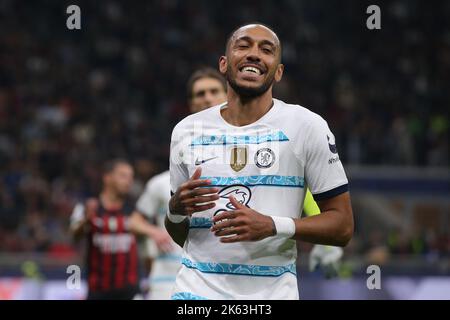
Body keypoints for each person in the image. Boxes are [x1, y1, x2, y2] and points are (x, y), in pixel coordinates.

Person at [165, 24, 354, 300]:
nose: (254, 54)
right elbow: (182, 234)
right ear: (224, 63)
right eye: (243, 46)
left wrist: (273, 225)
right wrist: (175, 209)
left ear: (278, 72)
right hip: (194, 297)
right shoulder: (186, 131)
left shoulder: (306, 126)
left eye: (266, 50)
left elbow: (343, 227)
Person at [134, 67, 227, 300]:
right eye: (200, 93)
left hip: (228, 279)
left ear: (228, 95)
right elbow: (134, 221)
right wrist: (155, 231)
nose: (207, 97)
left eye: (214, 91)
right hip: (171, 281)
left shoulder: (247, 158)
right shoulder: (160, 183)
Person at [70, 159, 168, 299]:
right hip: (98, 291)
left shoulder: (136, 210)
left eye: (130, 177)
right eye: (123, 176)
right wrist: (86, 220)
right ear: (107, 177)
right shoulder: (88, 206)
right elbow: (74, 236)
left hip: (130, 291)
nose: (128, 181)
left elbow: (147, 248)